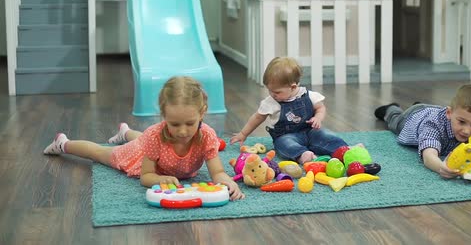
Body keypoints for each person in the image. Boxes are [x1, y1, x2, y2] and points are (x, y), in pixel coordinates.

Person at [43, 76, 245, 200]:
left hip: (152, 147)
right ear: (164, 116)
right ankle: (63, 143)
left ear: (202, 113)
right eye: (174, 124)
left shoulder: (207, 135)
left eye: (189, 123)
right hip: (139, 156)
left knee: (144, 139)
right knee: (99, 153)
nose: (183, 131)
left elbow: (217, 171)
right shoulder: (156, 135)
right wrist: (159, 178)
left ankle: (125, 132)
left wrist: (227, 182)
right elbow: (145, 176)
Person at [230, 56, 361, 164]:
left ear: (293, 87)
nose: (272, 94)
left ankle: (346, 151)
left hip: (310, 131)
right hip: (286, 136)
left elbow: (320, 107)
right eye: (269, 90)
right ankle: (304, 155)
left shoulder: (308, 95)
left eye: (276, 92)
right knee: (285, 145)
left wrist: (318, 118)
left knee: (327, 135)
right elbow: (257, 117)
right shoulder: (271, 102)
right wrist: (243, 133)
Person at [374, 84, 471, 179]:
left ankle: (419, 104)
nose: (466, 131)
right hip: (414, 118)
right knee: (395, 122)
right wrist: (440, 167)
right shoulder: (433, 124)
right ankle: (391, 108)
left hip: (434, 110)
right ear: (449, 113)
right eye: (461, 122)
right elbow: (429, 156)